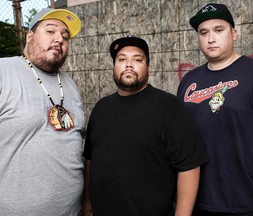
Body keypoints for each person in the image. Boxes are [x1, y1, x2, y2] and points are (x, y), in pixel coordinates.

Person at [177, 3, 253, 216]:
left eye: (219, 30)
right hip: (197, 204)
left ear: (234, 33)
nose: (211, 38)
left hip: (247, 205)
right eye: (204, 32)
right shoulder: (188, 82)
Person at [82, 35, 208, 216]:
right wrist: (87, 200)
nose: (128, 64)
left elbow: (189, 166)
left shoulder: (169, 107)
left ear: (148, 68)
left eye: (137, 59)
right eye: (122, 59)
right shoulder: (101, 107)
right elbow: (90, 159)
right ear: (114, 67)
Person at [0, 8, 85, 215]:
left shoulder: (71, 85)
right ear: (30, 36)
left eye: (65, 37)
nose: (59, 39)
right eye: (50, 31)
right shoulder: (4, 71)